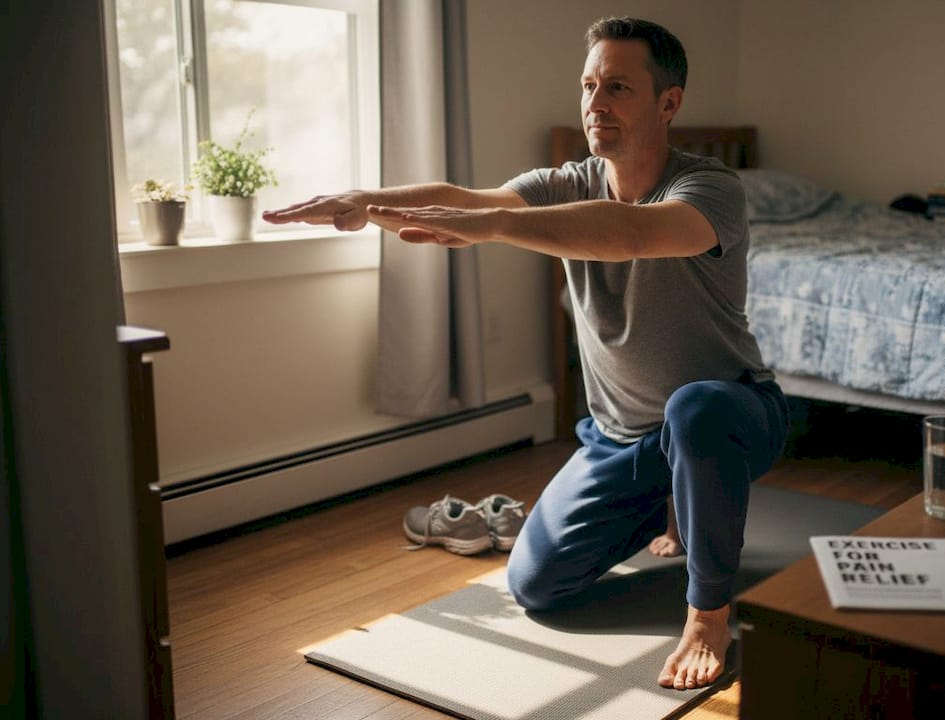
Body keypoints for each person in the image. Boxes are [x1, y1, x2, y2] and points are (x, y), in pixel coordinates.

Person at [262, 16, 789, 691]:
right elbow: (466, 202)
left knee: (693, 411)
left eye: (618, 88)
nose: (596, 104)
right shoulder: (566, 183)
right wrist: (368, 203)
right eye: (589, 86)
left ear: (668, 103)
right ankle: (673, 502)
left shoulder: (711, 188)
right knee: (537, 584)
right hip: (622, 441)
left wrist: (497, 225)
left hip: (732, 415)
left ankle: (707, 614)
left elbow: (628, 233)